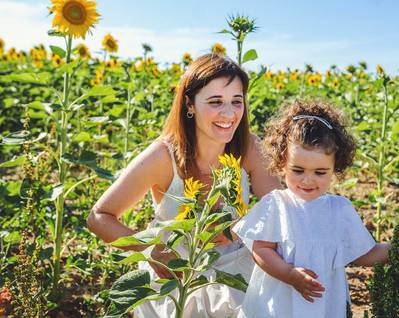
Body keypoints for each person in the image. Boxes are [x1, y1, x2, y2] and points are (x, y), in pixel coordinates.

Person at [87, 54, 281, 318]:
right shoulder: (163, 156)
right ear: (189, 104)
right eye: (215, 102)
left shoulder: (247, 147)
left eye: (237, 102)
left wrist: (241, 229)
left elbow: (279, 209)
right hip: (174, 270)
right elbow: (99, 217)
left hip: (235, 268)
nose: (229, 113)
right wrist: (150, 250)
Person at [232, 99, 390, 318]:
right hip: (277, 304)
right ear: (281, 163)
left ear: (335, 168)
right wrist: (290, 274)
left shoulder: (339, 210)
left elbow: (364, 254)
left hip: (323, 304)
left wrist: (398, 249)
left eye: (320, 172)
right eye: (298, 170)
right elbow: (261, 250)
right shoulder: (276, 204)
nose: (308, 180)